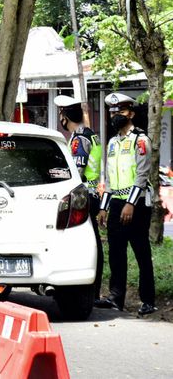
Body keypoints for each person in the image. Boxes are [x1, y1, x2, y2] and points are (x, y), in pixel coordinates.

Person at [96, 93, 157, 315]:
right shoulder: (113, 143)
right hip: (117, 203)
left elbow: (142, 175)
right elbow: (110, 179)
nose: (114, 116)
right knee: (116, 252)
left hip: (137, 204)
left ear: (130, 113)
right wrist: (104, 207)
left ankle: (148, 300)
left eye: (119, 112)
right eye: (112, 112)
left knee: (141, 251)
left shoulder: (140, 140)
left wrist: (130, 205)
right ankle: (115, 297)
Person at [54, 95, 104, 305]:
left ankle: (91, 292)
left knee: (90, 244)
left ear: (64, 116)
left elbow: (77, 172)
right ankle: (94, 292)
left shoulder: (79, 138)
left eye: (61, 115)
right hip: (93, 194)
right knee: (96, 244)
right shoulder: (90, 135)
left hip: (86, 195)